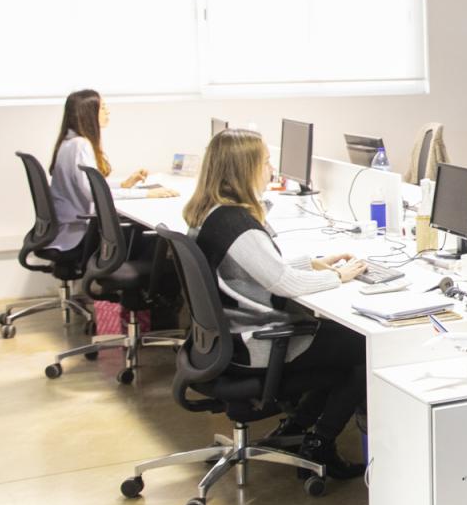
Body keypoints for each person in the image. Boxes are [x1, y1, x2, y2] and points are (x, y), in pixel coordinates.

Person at [182, 128, 370, 479]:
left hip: (222, 342)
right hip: (253, 344)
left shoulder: (212, 214)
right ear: (245, 169)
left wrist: (314, 263)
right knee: (362, 347)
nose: (272, 169)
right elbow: (283, 282)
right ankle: (320, 444)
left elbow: (252, 270)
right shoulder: (237, 224)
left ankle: (297, 427)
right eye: (266, 161)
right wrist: (339, 277)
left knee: (338, 342)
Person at [48, 89, 151, 251]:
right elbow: (96, 194)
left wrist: (123, 184)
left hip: (69, 228)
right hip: (79, 233)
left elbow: (90, 186)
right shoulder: (80, 145)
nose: (107, 111)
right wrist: (146, 194)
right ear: (88, 113)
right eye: (103, 107)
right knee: (151, 240)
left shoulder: (68, 142)